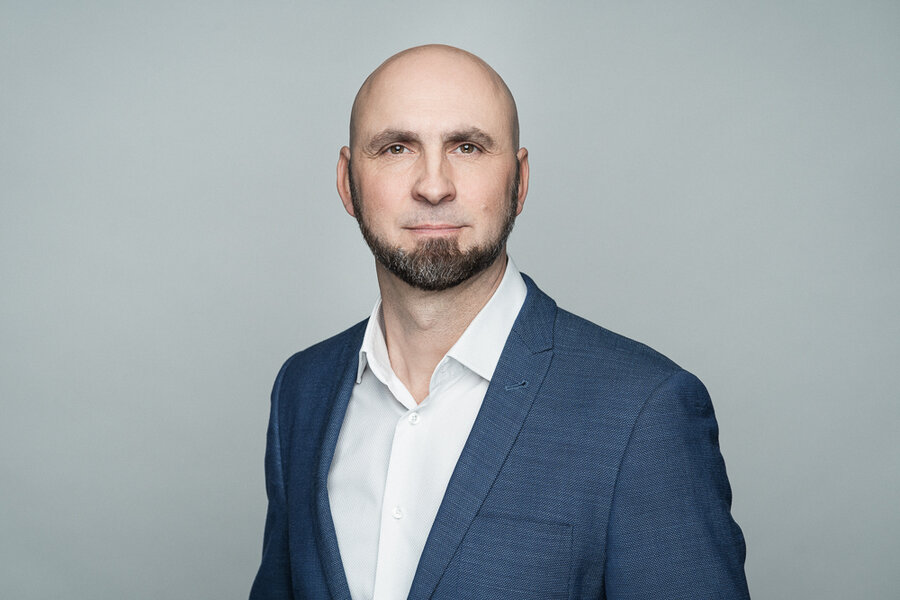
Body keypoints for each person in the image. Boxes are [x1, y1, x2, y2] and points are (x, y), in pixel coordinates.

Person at [249, 44, 749, 600]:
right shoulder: (303, 389)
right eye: (396, 148)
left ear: (519, 181)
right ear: (347, 181)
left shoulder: (643, 411)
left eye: (467, 147)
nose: (433, 186)